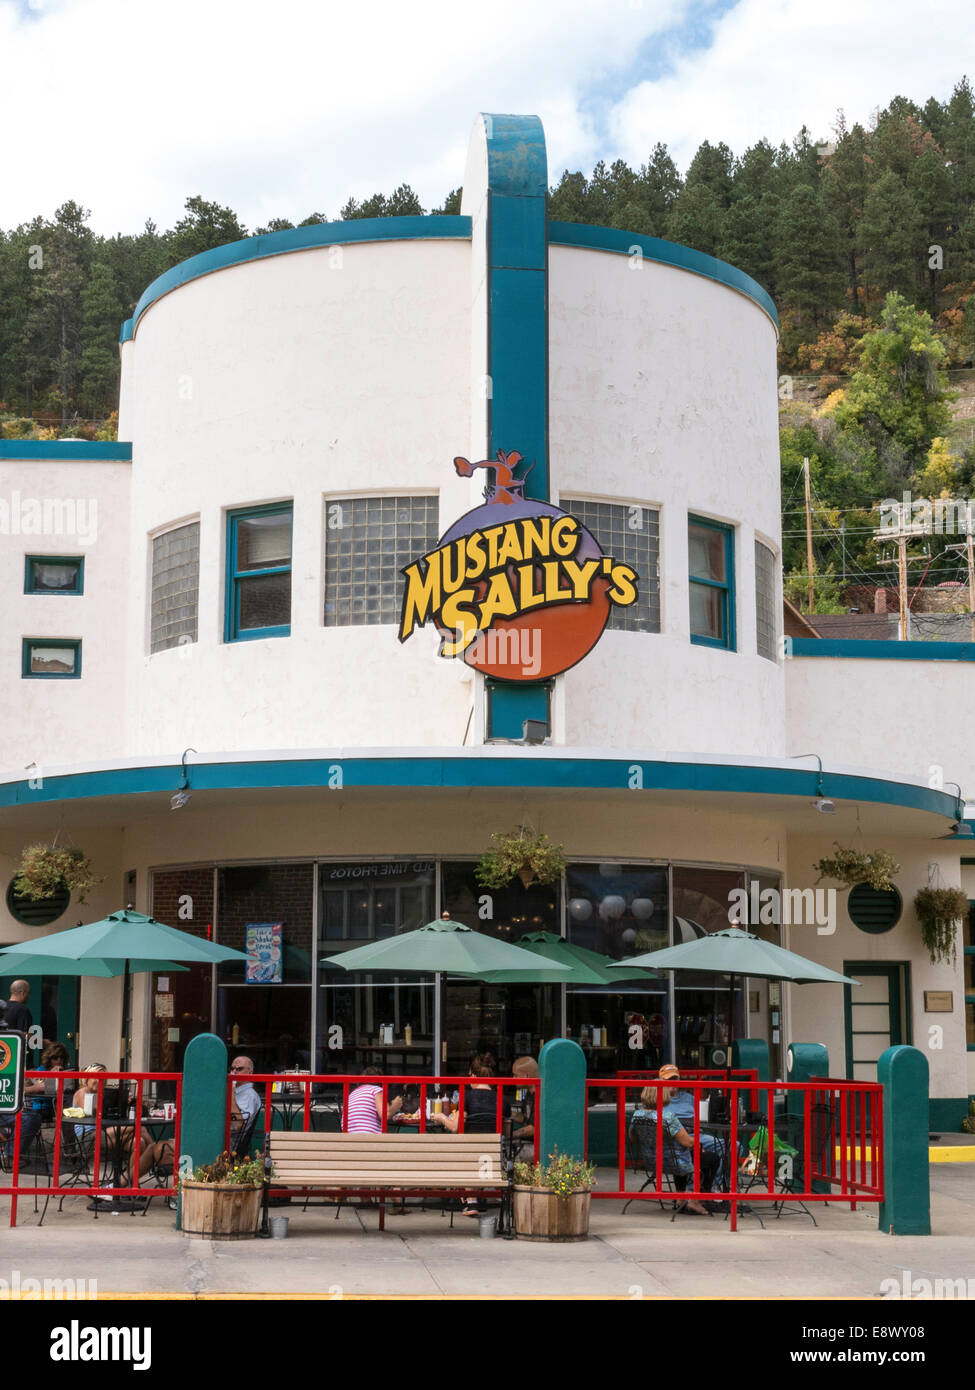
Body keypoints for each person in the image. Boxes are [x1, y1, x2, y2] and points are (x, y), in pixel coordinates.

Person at [630, 1082, 719, 1216]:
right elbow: (687, 1142)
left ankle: (681, 1198)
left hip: (652, 1161)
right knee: (712, 1158)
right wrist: (698, 1142)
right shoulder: (667, 1117)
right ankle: (696, 1199)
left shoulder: (637, 1115)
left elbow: (632, 1137)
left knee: (680, 1154)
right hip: (673, 1162)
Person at [435, 1053, 498, 1216]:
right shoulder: (501, 1098)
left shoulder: (468, 1096)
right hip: (493, 1157)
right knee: (478, 1150)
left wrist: (441, 1117)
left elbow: (455, 1127)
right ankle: (478, 1196)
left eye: (469, 1075)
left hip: (469, 1156)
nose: (468, 1078)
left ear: (475, 1076)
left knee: (463, 1148)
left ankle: (471, 1201)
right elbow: (503, 1132)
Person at [0, 1038, 68, 1161]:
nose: (59, 1060)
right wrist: (49, 1078)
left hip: (52, 1107)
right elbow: (26, 1088)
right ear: (49, 1058)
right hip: (38, 1107)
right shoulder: (41, 1071)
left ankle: (71, 1151)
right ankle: (9, 1154)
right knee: (29, 1118)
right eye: (55, 1057)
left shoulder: (66, 1072)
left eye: (62, 1057)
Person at [344, 1066, 403, 1134]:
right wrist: (395, 1106)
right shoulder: (376, 1090)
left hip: (349, 1135)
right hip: (368, 1135)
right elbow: (385, 1115)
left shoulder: (354, 1092)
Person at [507, 1055, 538, 1163]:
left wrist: (510, 1135)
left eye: (516, 1075)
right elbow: (526, 1119)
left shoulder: (540, 1096)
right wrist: (508, 1114)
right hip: (530, 1143)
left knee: (505, 1151)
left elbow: (534, 1128)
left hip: (539, 1148)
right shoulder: (529, 1094)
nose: (513, 1079)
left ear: (526, 1076)